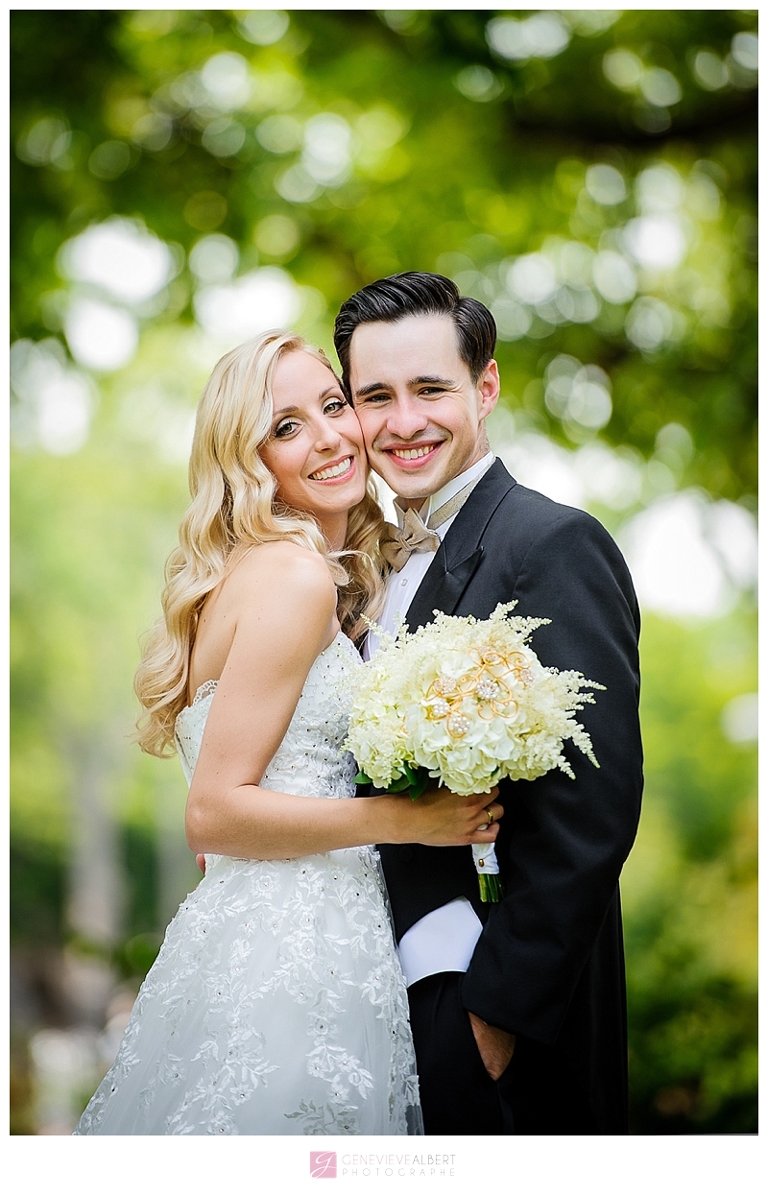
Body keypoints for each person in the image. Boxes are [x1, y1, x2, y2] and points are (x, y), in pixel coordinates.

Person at [74, 330, 503, 1136]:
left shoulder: (273, 570)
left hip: (271, 926)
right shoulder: (294, 575)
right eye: (286, 427)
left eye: (333, 405)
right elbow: (215, 813)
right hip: (291, 955)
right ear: (250, 462)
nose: (331, 436)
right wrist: (409, 819)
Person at [333, 273, 643, 1135]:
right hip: (373, 995)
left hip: (497, 1028)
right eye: (375, 396)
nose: (404, 422)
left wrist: (489, 1022)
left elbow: (592, 814)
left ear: (487, 386)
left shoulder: (551, 544)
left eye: (430, 388)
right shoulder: (365, 565)